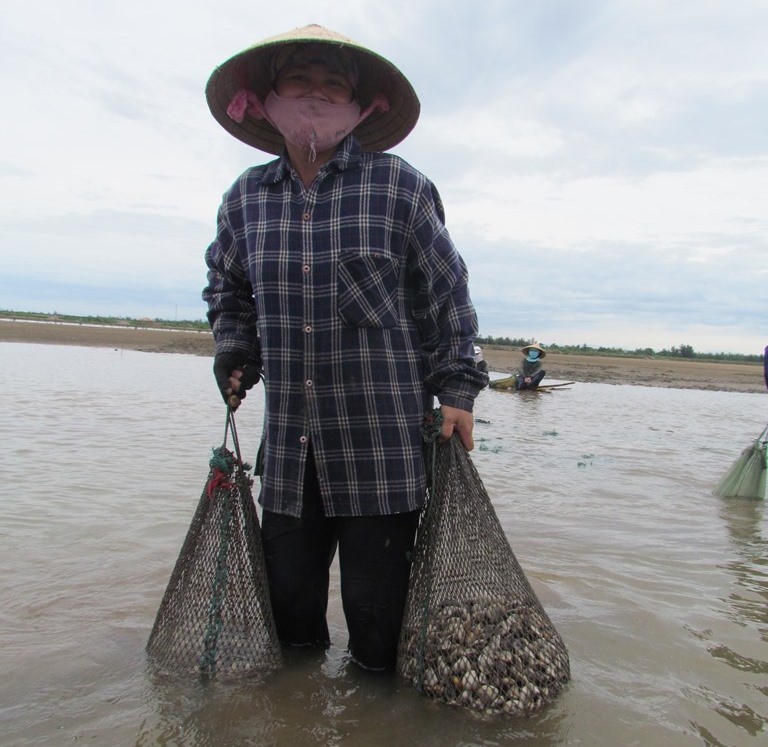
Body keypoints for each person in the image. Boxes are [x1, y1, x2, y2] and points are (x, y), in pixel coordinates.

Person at [201, 24, 488, 671]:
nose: (317, 95)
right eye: (300, 81)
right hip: (291, 452)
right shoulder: (245, 198)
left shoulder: (401, 189)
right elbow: (228, 285)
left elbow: (446, 297)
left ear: (361, 109)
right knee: (291, 620)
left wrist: (458, 392)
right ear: (268, 100)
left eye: (334, 85)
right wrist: (234, 345)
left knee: (378, 627)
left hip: (382, 452)